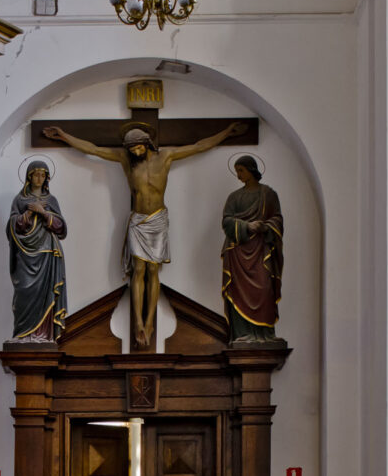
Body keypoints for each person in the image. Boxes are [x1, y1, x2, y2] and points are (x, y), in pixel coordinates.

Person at [43, 121, 246, 349]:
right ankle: (138, 322)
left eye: (137, 147)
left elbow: (199, 146)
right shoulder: (125, 160)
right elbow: (93, 149)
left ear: (146, 143)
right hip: (138, 221)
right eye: (131, 149)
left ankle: (149, 323)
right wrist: (64, 136)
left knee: (153, 270)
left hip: (157, 220)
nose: (134, 152)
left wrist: (227, 132)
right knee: (138, 270)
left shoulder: (166, 157)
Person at [221, 155, 283, 343]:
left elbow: (277, 219)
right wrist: (247, 226)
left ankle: (265, 335)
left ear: (251, 169)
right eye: (237, 171)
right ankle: (243, 334)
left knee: (264, 288)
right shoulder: (234, 197)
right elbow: (226, 221)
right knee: (239, 292)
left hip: (261, 251)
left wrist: (265, 227)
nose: (239, 175)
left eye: (241, 170)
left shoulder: (268, 194)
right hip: (239, 252)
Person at [6, 160, 68, 342]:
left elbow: (62, 228)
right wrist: (27, 214)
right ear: (29, 177)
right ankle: (23, 334)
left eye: (42, 175)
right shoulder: (19, 200)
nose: (39, 178)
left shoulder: (51, 201)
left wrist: (43, 212)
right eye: (36, 175)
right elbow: (12, 227)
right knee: (24, 293)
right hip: (25, 255)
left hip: (47, 253)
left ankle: (43, 335)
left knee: (46, 295)